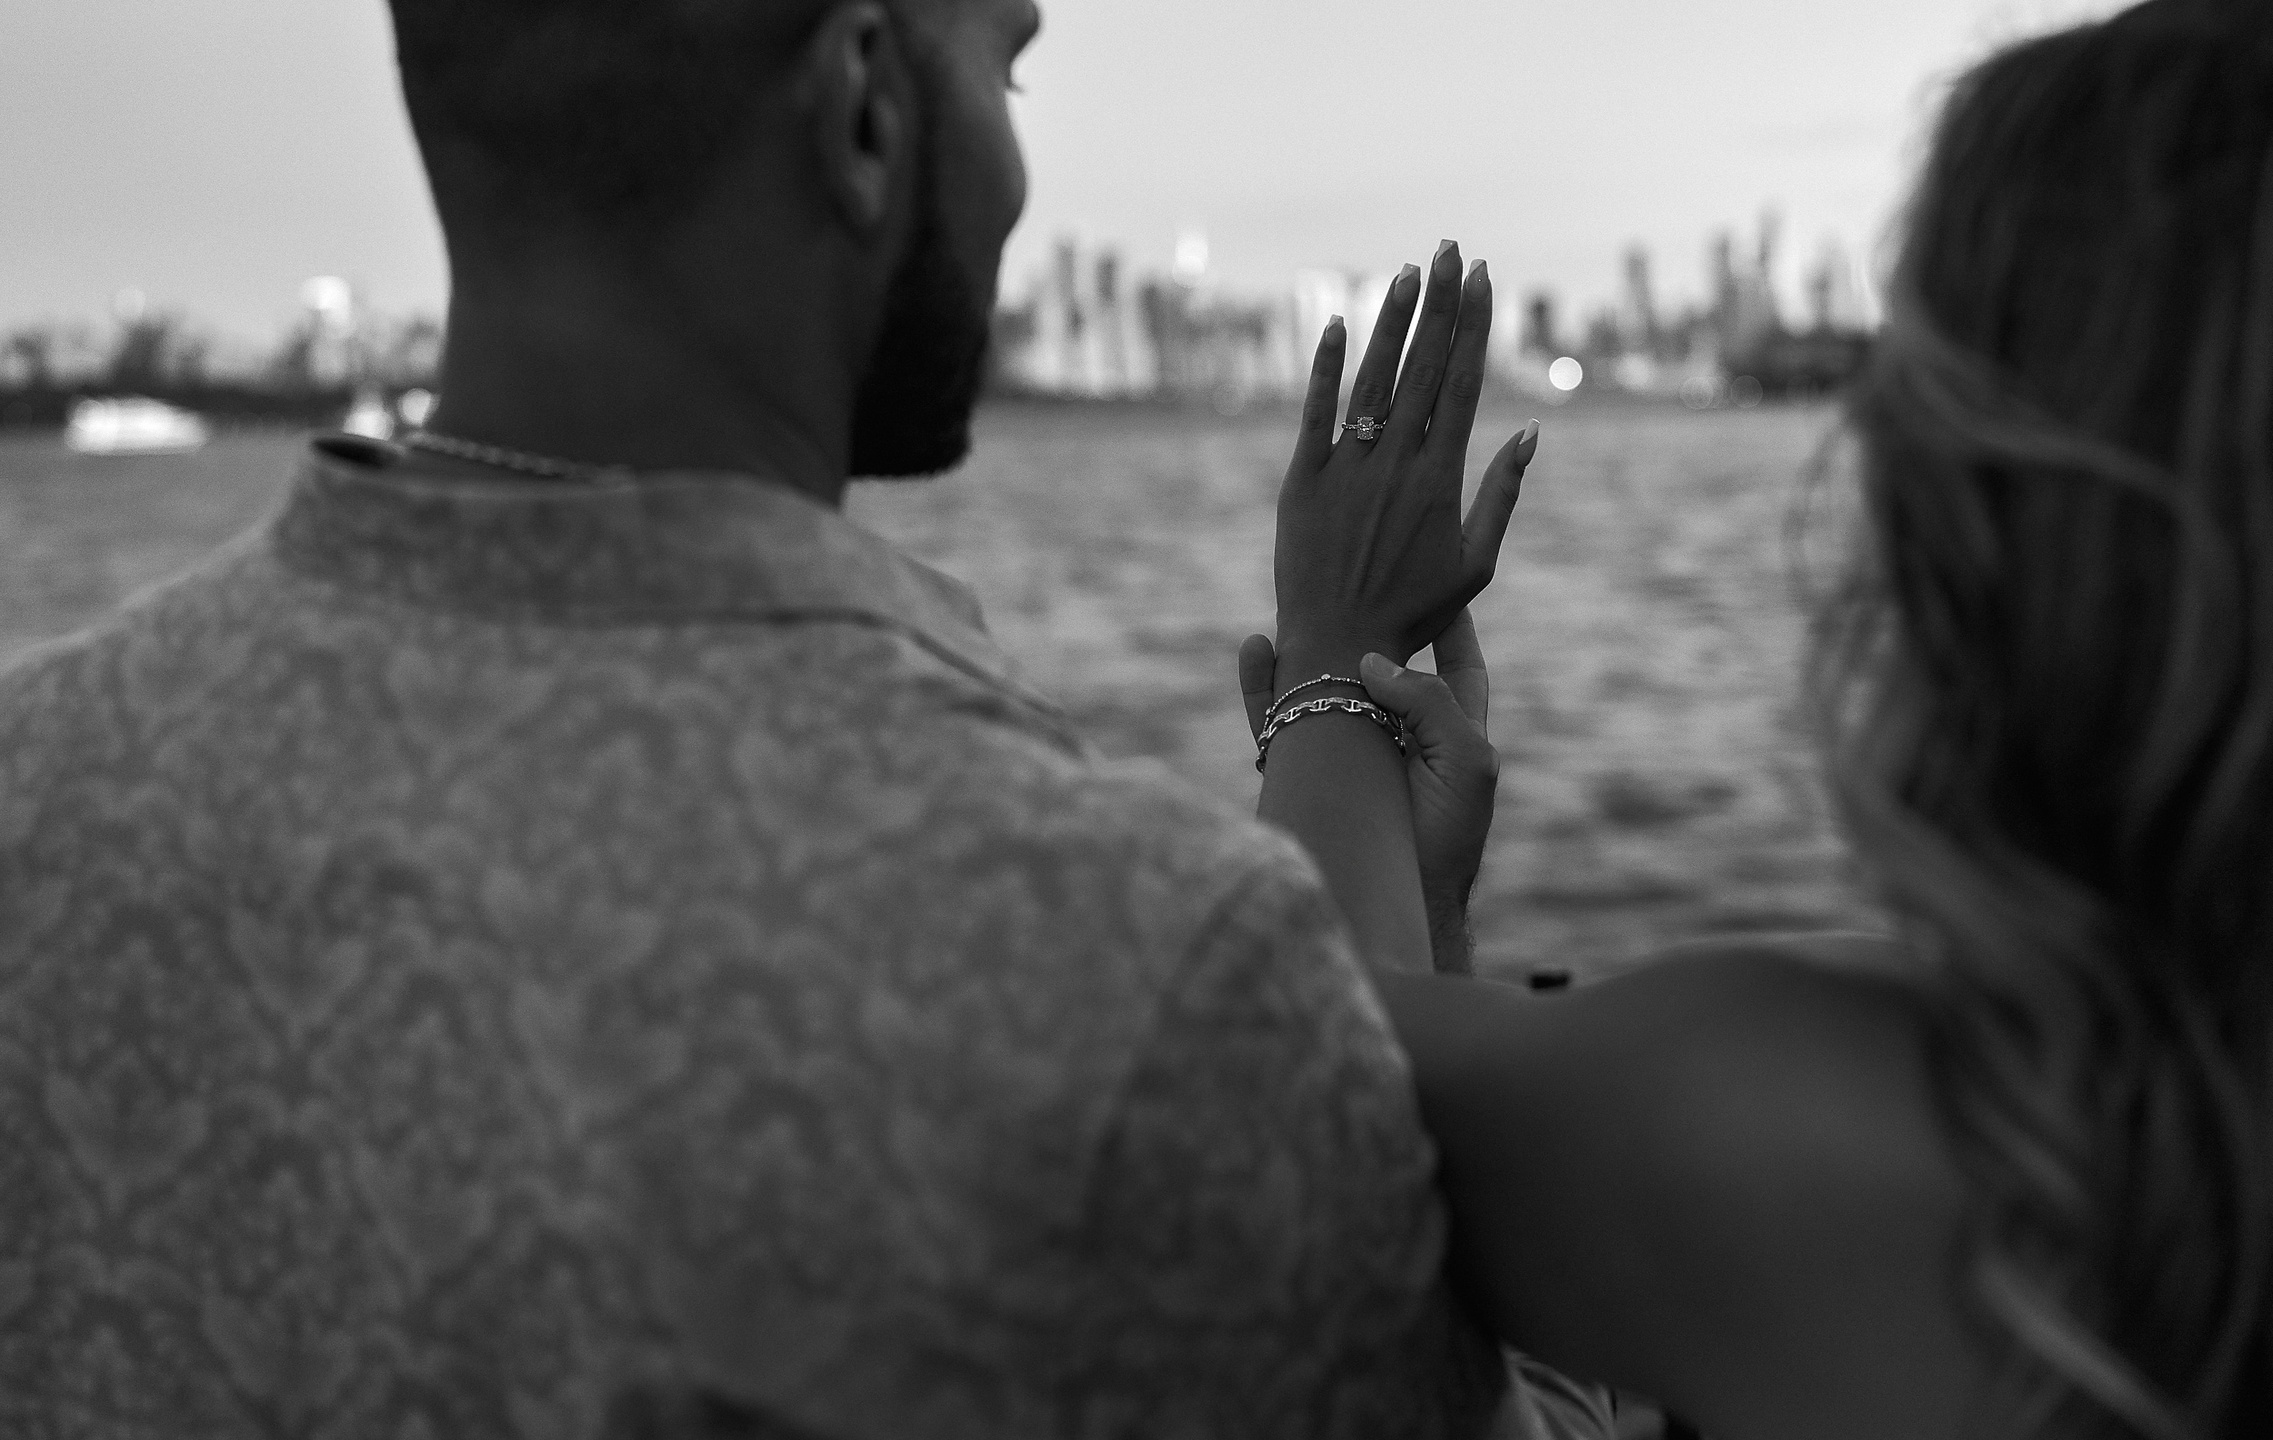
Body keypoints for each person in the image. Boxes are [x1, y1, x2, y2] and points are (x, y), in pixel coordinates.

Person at [0, 1, 1531, 1434]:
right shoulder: (1108, 950)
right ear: (862, 107)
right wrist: (1339, 701)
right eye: (1006, 68)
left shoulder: (31, 775)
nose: (1014, 175)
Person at [1244, 0, 2273, 1436]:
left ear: (2027, 539)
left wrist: (1333, 660)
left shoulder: (1912, 1147)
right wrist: (1431, 913)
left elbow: (1282, 1119)